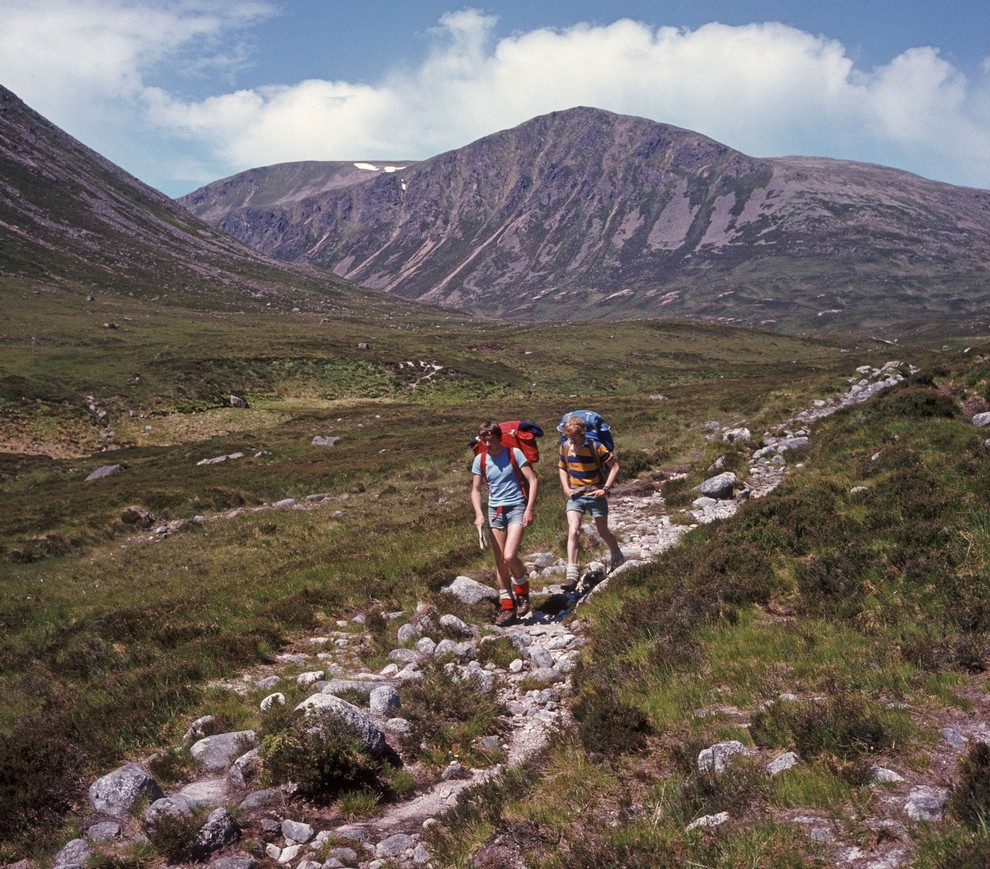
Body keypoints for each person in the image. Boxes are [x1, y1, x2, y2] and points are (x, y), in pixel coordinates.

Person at [471, 421, 539, 626]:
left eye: (491, 439)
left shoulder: (514, 453)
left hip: (516, 507)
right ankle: (508, 608)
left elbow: (533, 480)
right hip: (494, 512)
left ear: (499, 438)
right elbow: (476, 489)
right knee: (500, 560)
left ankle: (522, 588)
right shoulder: (480, 460)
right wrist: (478, 514)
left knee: (509, 556)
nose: (488, 443)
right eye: (484, 440)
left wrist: (529, 509)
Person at [557, 414, 624, 591]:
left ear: (583, 433)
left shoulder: (596, 446)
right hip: (575, 495)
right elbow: (562, 468)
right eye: (569, 437)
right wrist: (566, 487)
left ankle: (616, 555)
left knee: (602, 531)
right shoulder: (565, 447)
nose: (573, 440)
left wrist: (606, 489)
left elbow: (614, 467)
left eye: (576, 437)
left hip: (596, 494)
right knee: (573, 530)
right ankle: (571, 574)